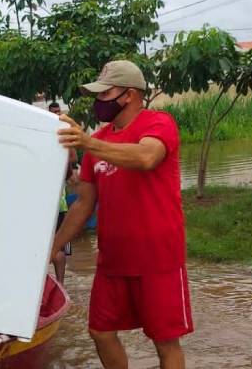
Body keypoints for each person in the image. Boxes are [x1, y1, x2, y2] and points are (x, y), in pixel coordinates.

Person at [52, 60, 192, 369]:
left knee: (165, 341)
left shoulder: (158, 123)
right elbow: (83, 204)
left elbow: (146, 157)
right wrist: (53, 247)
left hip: (158, 258)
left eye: (105, 94)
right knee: (100, 332)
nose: (98, 101)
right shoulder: (100, 141)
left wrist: (88, 142)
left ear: (129, 95)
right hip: (113, 259)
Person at [48, 101, 74, 284]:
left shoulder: (65, 133)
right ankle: (60, 285)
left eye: (58, 112)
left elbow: (72, 158)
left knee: (57, 246)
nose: (57, 115)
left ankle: (60, 285)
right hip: (54, 203)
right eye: (54, 112)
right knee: (57, 246)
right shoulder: (54, 133)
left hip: (59, 203)